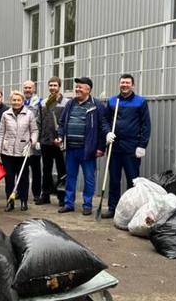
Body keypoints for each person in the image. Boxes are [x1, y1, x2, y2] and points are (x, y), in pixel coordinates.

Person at [56, 77, 109, 215]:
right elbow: (62, 123)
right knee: (70, 178)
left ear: (88, 89)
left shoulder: (96, 105)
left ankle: (87, 204)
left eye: (80, 87)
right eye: (77, 87)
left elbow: (103, 127)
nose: (77, 89)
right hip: (71, 149)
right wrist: (60, 136)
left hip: (88, 150)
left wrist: (101, 147)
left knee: (89, 178)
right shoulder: (70, 104)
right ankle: (69, 204)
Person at [102, 74, 152, 219]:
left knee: (133, 180)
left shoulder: (140, 102)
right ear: (119, 84)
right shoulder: (112, 101)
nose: (124, 85)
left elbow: (146, 125)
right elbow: (105, 120)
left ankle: (132, 210)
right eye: (122, 83)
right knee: (114, 179)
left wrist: (142, 145)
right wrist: (107, 133)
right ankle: (113, 208)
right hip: (114, 147)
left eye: (127, 83)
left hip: (131, 147)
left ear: (133, 85)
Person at [0, 91, 38, 212]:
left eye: (18, 100)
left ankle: (24, 201)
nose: (16, 102)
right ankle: (10, 202)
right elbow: (1, 133)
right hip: (7, 152)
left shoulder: (29, 114)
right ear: (10, 101)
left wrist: (32, 142)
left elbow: (34, 130)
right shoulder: (5, 114)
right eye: (14, 100)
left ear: (22, 101)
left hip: (23, 151)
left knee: (23, 178)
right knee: (9, 178)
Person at [37, 76, 69, 206]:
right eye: (51, 85)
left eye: (55, 85)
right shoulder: (43, 103)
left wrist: (63, 138)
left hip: (60, 142)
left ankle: (62, 197)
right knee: (46, 169)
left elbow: (67, 122)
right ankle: (45, 195)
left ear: (59, 87)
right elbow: (39, 121)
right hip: (46, 141)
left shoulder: (66, 103)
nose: (53, 88)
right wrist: (39, 139)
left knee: (62, 170)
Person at [22, 80, 43, 203]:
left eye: (30, 88)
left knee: (36, 169)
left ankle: (36, 193)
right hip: (22, 141)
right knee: (21, 168)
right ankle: (20, 191)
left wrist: (39, 139)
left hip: (35, 141)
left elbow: (41, 121)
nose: (27, 90)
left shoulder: (39, 102)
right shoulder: (19, 101)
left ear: (34, 89)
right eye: (25, 87)